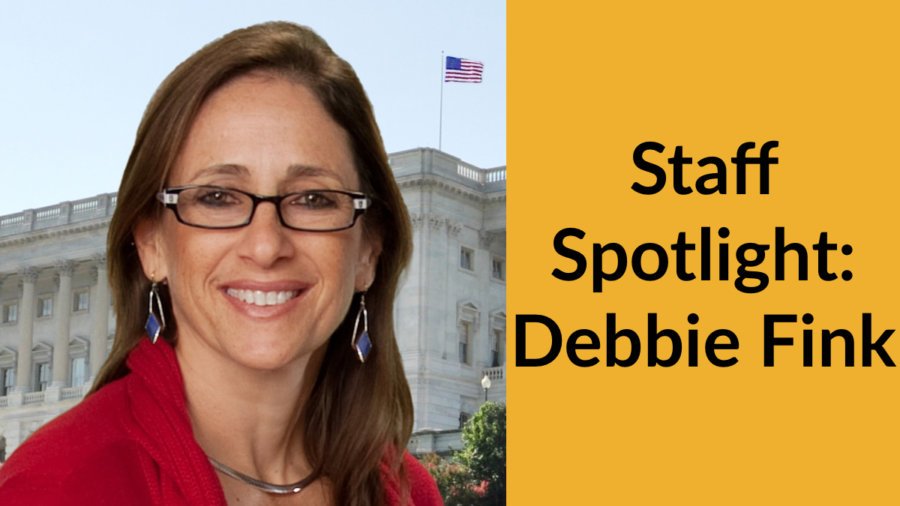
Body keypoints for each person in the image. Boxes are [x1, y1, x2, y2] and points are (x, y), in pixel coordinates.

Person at [0, 21, 442, 506]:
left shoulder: (406, 491)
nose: (266, 245)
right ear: (151, 245)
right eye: (217, 197)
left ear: (368, 252)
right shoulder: (58, 486)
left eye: (314, 199)